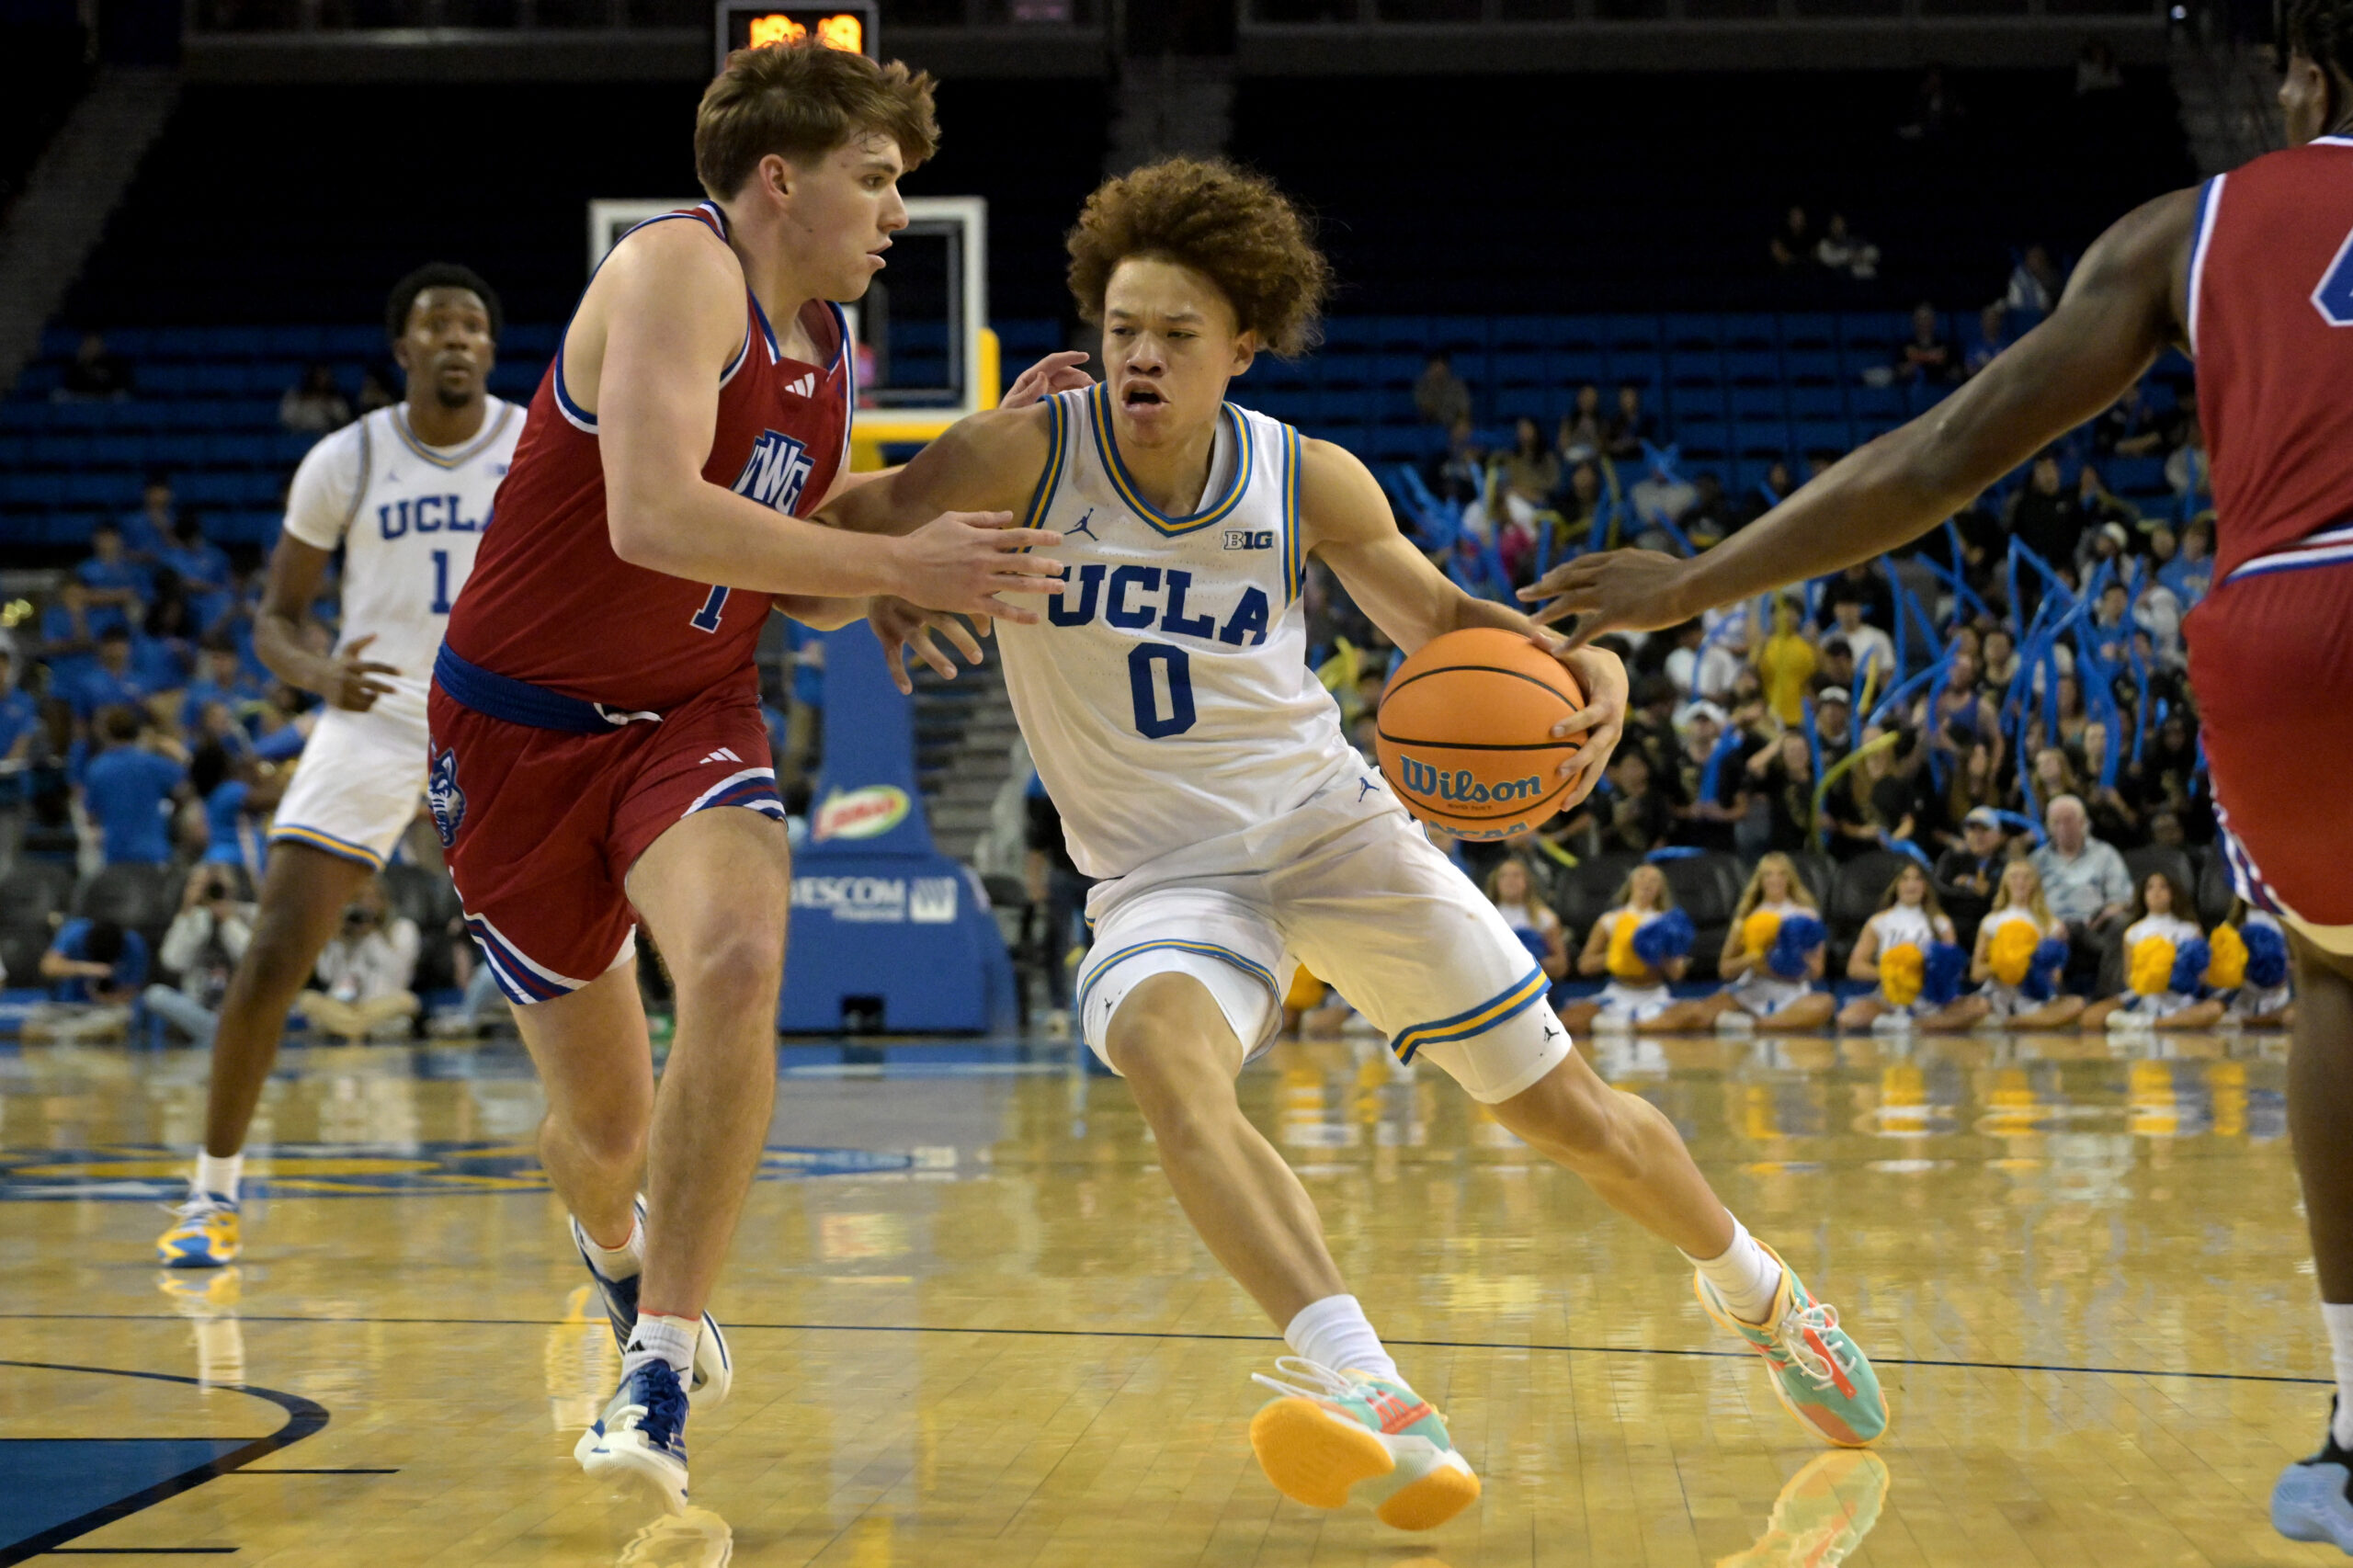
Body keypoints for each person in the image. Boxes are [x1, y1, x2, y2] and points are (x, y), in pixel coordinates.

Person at [821, 155, 1885, 1531]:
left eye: (1176, 336)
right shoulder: (1020, 453)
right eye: (1121, 329)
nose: (1140, 357)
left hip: (1330, 827)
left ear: (1243, 346)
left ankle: (1761, 1291)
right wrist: (880, 573)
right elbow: (813, 561)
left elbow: (1442, 623)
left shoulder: (1302, 473)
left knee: (1575, 1122)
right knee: (1167, 1057)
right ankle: (1375, 1389)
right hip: (1163, 873)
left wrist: (1590, 671)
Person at [418, 42, 1084, 1512]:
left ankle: (657, 1359)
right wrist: (885, 558)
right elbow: (657, 515)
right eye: (878, 176)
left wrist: (932, 517)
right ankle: (618, 1253)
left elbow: (802, 579)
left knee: (736, 959)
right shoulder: (677, 270)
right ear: (781, 178)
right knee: (605, 1132)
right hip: (512, 734)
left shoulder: (828, 347)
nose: (900, 208)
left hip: (685, 717)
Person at [154, 263, 524, 1274]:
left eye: (472, 325)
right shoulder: (345, 458)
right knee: (275, 948)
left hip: (503, 719)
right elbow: (273, 618)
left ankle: (607, 1213)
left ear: (490, 349)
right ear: (401, 349)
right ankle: (210, 1193)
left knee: (567, 973)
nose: (456, 338)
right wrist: (320, 673)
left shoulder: (536, 440)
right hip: (374, 717)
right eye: (435, 325)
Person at [1691, 853, 1836, 1032]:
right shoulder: (1746, 917)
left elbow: (1817, 972)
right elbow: (1725, 969)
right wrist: (1751, 959)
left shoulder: (1807, 916)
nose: (1775, 879)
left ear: (1790, 878)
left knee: (1825, 1004)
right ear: (1760, 880)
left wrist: (1791, 961)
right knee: (1700, 1011)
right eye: (1768, 874)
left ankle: (1753, 1025)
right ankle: (1773, 1024)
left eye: (1781, 874)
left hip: (1793, 991)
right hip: (1752, 988)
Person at [2076, 871, 2225, 1033]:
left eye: (2163, 887)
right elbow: (2129, 978)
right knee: (2089, 1018)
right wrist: (2149, 976)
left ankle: (2151, 1023)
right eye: (2150, 887)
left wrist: (2181, 976)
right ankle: (2165, 1022)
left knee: (2214, 1009)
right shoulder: (2134, 931)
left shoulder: (2190, 929)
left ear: (2174, 893)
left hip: (2180, 998)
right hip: (2144, 997)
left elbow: (2203, 976)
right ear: (2143, 894)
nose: (2156, 892)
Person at [1557, 864, 1696, 1035]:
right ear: (1630, 883)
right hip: (1618, 992)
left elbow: (1677, 974)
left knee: (1693, 1015)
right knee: (1568, 1019)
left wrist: (1659, 954)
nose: (1647, 883)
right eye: (1642, 876)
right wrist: (1619, 953)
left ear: (1661, 889)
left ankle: (1626, 1027)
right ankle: (1637, 1027)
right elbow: (1585, 966)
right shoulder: (1610, 920)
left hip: (1654, 993)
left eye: (1654, 880)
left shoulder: (1667, 923)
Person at [1835, 862, 1973, 1033]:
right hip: (1889, 997)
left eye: (1917, 879)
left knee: (1979, 1006)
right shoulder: (1879, 921)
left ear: (1926, 886)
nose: (1911, 884)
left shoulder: (1941, 922)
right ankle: (1921, 1025)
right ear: (1896, 886)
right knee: (1847, 1017)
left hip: (1930, 999)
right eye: (1905, 879)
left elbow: (1954, 969)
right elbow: (1855, 967)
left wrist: (1929, 975)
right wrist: (1895, 974)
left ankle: (1908, 1025)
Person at [296, 879, 422, 1041]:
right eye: (359, 899)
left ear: (384, 901)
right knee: (307, 1000)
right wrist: (337, 940)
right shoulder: (343, 933)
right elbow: (326, 974)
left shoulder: (402, 928)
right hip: (344, 1005)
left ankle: (347, 1028)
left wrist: (372, 935)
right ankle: (357, 1027)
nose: (366, 904)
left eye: (372, 897)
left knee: (408, 1001)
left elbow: (397, 972)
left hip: (382, 1002)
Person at [146, 866, 256, 1048]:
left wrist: (229, 921)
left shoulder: (249, 914)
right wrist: (188, 913)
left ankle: (218, 1035)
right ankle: (219, 1034)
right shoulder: (193, 918)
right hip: (199, 1009)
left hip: (241, 1009)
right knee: (155, 995)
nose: (210, 892)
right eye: (201, 886)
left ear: (233, 888)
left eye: (217, 886)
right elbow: (173, 961)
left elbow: (253, 961)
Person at [1968, 859, 2084, 1029]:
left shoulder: (2053, 926)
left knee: (2077, 1004)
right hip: (1996, 995)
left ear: (2035, 883)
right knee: (1976, 1007)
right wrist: (2005, 965)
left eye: (2026, 877)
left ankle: (2012, 1023)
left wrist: (2030, 966)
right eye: (2014, 877)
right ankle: (2022, 1021)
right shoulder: (1991, 922)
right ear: (2005, 882)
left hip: (2033, 998)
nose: (2020, 882)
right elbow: (1976, 973)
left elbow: (2055, 978)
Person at [2029, 794, 2131, 984]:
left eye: (2068, 821)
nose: (2063, 828)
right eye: (2056, 822)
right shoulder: (2036, 860)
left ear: (2083, 822)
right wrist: (2048, 922)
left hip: (2093, 925)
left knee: (2122, 923)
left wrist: (2105, 914)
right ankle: (2047, 998)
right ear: (2049, 827)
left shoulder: (2105, 854)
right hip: (2050, 925)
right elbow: (2025, 900)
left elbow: (2122, 898)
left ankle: (2108, 995)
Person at [81, 707, 186, 866]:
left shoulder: (97, 768)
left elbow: (91, 817)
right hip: (153, 852)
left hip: (117, 854)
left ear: (105, 732)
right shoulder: (152, 764)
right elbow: (187, 783)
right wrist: (170, 747)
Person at [29, 917, 149, 1042]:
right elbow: (48, 967)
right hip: (66, 1007)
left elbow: (130, 993)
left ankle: (65, 1033)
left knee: (124, 1014)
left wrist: (101, 997)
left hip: (102, 1011)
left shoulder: (134, 945)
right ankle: (70, 1033)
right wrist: (88, 968)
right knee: (37, 1013)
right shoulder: (75, 931)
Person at [1485, 856, 1568, 989]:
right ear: (1495, 882)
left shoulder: (1544, 918)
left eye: (1516, 875)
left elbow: (1561, 966)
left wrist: (1533, 962)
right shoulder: (1485, 916)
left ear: (1527, 881)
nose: (1510, 880)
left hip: (1533, 986)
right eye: (1503, 876)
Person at [278, 362, 352, 434]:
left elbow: (344, 421)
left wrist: (328, 407)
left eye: (325, 377)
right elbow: (286, 420)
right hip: (299, 438)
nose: (322, 380)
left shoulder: (335, 400)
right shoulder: (295, 396)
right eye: (318, 376)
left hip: (325, 438)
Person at [1413, 353, 1470, 429]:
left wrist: (1461, 424)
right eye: (1435, 366)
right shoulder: (1422, 386)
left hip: (1454, 427)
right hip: (1428, 428)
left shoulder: (1457, 386)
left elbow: (1464, 410)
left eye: (1441, 366)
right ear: (1429, 368)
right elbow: (1428, 410)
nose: (1438, 370)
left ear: (1447, 368)